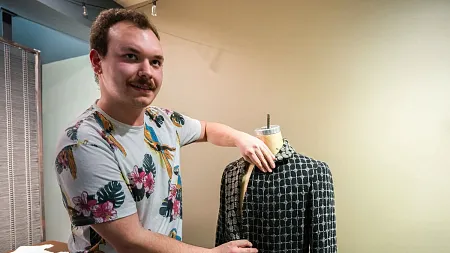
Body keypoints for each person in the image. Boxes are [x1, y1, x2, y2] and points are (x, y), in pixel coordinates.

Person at [53, 8, 276, 253]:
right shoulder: (83, 143)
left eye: (156, 62)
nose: (147, 71)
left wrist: (240, 138)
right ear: (97, 62)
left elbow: (207, 129)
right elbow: (130, 240)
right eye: (130, 56)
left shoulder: (163, 121)